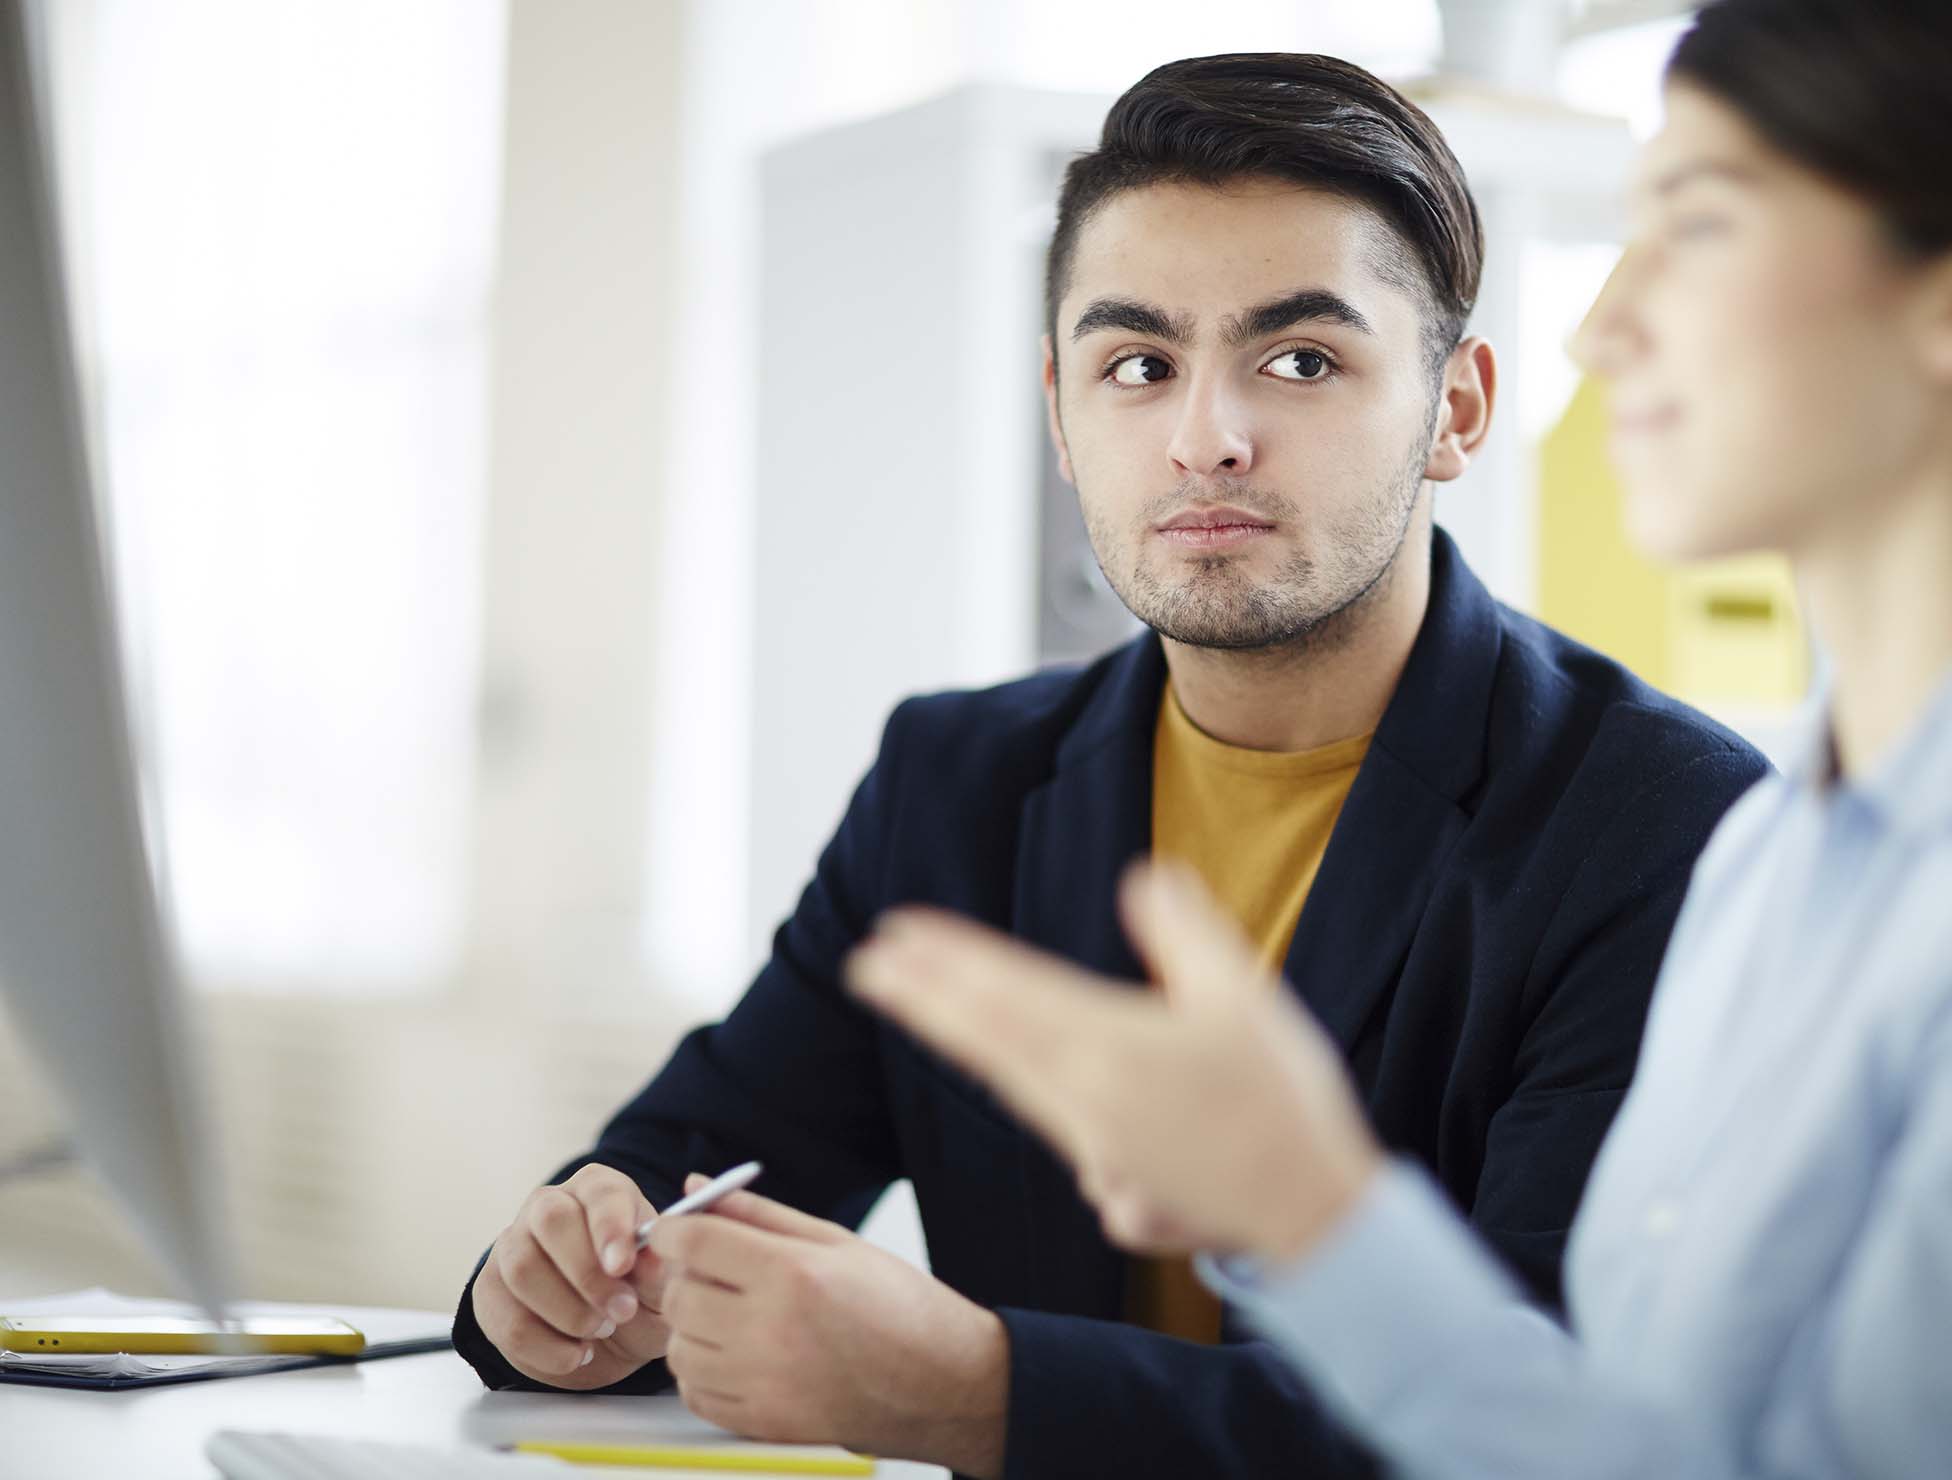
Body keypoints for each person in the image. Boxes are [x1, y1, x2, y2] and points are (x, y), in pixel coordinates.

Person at [452, 53, 1769, 1480]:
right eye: (1137, 365)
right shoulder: (953, 780)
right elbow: (684, 1166)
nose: (1207, 436)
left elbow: (1555, 1430)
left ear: (1456, 409)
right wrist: (557, 1284)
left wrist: (980, 1391)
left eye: (1302, 360)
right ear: (1063, 415)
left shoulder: (1668, 826)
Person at [847, 2, 1952, 1476]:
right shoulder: (1786, 858)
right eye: (1137, 367)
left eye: (1697, 224)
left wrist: (1301, 1219)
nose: (1601, 325)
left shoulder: (1682, 822)